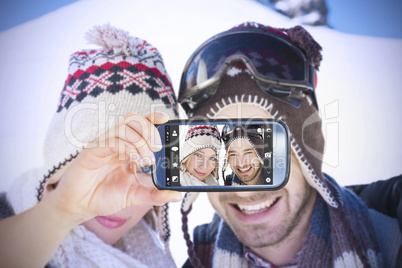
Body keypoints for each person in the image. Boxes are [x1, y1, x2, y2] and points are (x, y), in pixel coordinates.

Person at [179, 22, 402, 267]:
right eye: (220, 156)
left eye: (264, 151)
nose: (244, 191)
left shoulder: (392, 237)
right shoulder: (195, 258)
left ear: (308, 154)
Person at [0, 24, 182, 267]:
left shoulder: (152, 256)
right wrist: (62, 210)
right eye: (104, 160)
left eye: (147, 167)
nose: (120, 196)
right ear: (60, 161)